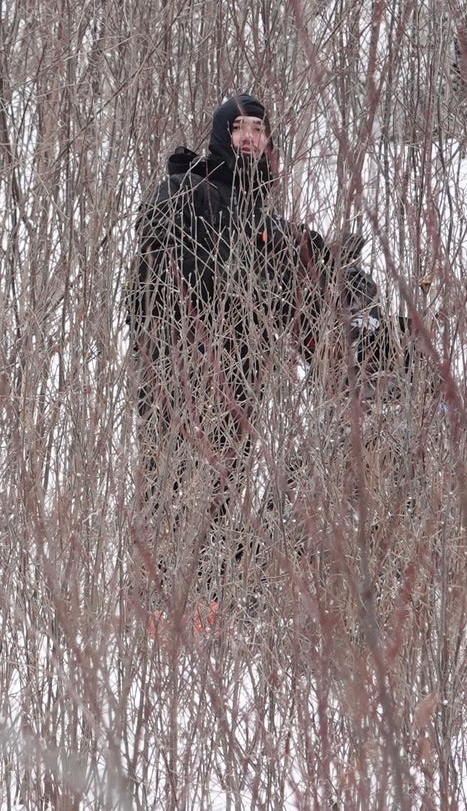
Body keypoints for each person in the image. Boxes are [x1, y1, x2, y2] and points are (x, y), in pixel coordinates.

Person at [126, 92, 392, 600]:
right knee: (172, 496)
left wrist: (334, 278)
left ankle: (203, 614)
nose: (249, 138)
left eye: (259, 130)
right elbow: (153, 293)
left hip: (239, 388)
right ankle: (155, 614)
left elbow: (295, 291)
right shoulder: (185, 191)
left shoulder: (263, 220)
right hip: (183, 380)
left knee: (221, 502)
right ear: (220, 135)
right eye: (239, 128)